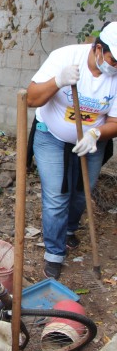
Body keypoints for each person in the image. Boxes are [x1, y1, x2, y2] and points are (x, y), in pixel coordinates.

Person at [26, 21, 117, 279]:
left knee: (81, 193)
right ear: (98, 48)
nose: (115, 66)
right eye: (114, 59)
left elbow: (115, 121)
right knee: (57, 196)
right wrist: (58, 80)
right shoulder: (65, 57)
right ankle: (54, 253)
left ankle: (68, 231)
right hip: (51, 135)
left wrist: (96, 133)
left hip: (91, 141)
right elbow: (31, 98)